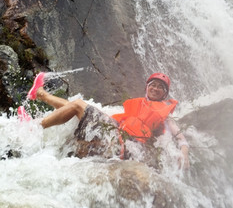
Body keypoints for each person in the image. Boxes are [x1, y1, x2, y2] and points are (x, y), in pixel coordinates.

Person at [25, 72, 190, 169]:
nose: (155, 89)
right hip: (115, 134)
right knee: (79, 108)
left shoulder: (166, 116)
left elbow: (180, 137)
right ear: (147, 87)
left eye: (160, 87)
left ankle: (34, 126)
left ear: (164, 94)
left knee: (78, 106)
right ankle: (40, 96)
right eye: (153, 85)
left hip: (121, 144)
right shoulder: (140, 104)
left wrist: (184, 154)